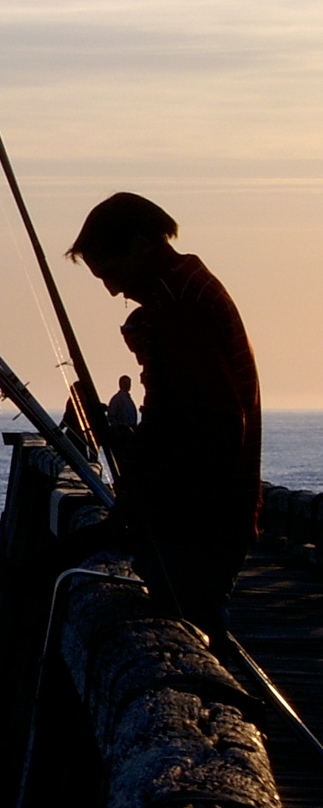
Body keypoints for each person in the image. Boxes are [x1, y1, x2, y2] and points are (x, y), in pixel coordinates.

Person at [67, 192, 260, 648]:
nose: (113, 290)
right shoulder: (186, 287)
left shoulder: (175, 304)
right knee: (200, 623)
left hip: (199, 517)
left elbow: (206, 417)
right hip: (214, 507)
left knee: (192, 633)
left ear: (140, 246)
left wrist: (146, 495)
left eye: (110, 273)